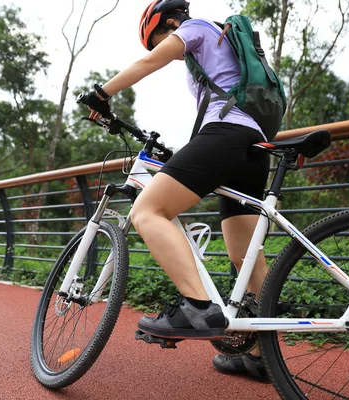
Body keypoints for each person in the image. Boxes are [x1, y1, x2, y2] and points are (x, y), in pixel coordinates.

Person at [78, 0, 272, 382]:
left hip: (227, 134)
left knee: (147, 212)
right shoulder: (225, 45)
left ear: (170, 21)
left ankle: (198, 307)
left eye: (159, 38)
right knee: (244, 254)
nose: (162, 46)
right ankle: (263, 353)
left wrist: (101, 94)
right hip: (254, 142)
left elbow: (149, 63)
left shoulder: (198, 27)